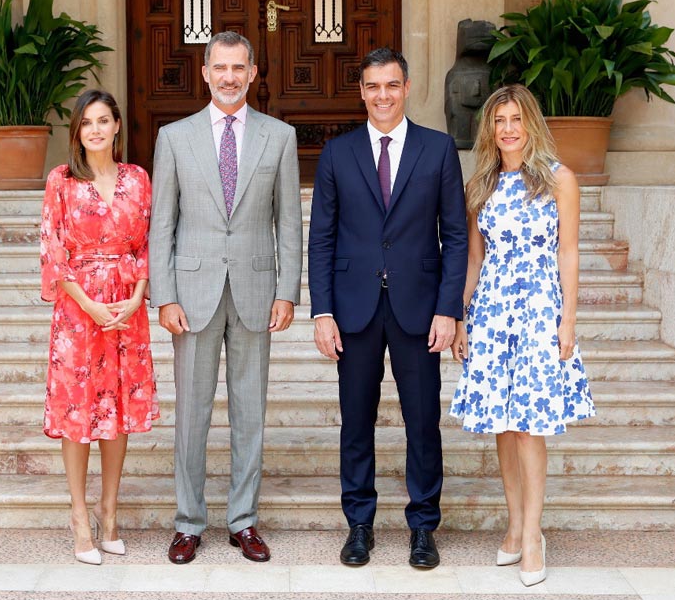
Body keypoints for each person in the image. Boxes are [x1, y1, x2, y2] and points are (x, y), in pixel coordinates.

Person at [308, 47, 467, 569]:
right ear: (361, 91)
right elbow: (322, 238)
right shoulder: (338, 153)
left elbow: (457, 236)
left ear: (407, 86)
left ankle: (423, 527)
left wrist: (450, 309)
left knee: (422, 421)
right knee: (356, 421)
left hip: (419, 309)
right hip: (353, 309)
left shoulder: (439, 149)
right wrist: (321, 311)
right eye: (373, 86)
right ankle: (359, 525)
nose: (382, 95)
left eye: (392, 85)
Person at [149, 31, 302, 564]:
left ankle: (244, 521)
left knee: (250, 411)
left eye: (240, 68)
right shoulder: (174, 137)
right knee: (191, 413)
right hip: (191, 294)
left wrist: (288, 290)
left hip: (257, 290)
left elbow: (289, 221)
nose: (230, 77)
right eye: (221, 68)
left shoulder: (279, 137)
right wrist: (164, 295)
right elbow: (161, 223)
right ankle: (188, 522)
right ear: (206, 72)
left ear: (254, 73)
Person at [449, 84, 596, 587]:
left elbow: (569, 252)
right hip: (491, 312)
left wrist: (568, 320)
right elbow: (473, 258)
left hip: (538, 311)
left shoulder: (560, 180)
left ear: (531, 123)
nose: (508, 128)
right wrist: (463, 317)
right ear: (489, 129)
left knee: (530, 425)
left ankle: (533, 535)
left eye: (515, 119)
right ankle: (514, 524)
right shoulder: (481, 186)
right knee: (503, 426)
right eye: (498, 121)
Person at [40, 89, 158, 565]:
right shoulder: (62, 180)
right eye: (86, 122)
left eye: (103, 120)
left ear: (116, 127)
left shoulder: (138, 178)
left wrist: (136, 295)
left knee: (119, 410)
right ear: (77, 131)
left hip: (127, 309)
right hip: (78, 310)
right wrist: (87, 303)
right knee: (78, 411)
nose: (95, 129)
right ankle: (80, 515)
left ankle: (110, 512)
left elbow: (148, 241)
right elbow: (52, 251)